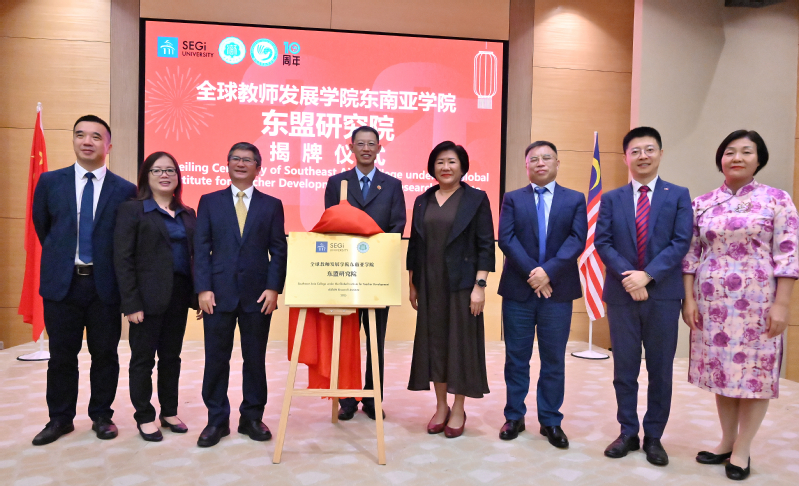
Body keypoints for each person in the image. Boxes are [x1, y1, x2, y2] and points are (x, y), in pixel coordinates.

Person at [682, 130, 798, 481]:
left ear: (759, 159)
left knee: (754, 376)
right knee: (723, 374)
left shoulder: (777, 199)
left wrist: (782, 305)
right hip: (712, 304)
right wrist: (689, 299)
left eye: (746, 152)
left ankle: (742, 449)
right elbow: (690, 255)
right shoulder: (703, 203)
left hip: (759, 305)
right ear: (720, 159)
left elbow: (788, 255)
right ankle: (726, 441)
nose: (737, 158)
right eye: (730, 151)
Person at [31, 115, 137, 445]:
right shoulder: (50, 182)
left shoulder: (125, 190)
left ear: (108, 146)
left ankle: (102, 415)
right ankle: (60, 419)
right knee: (62, 356)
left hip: (104, 285)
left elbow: (125, 240)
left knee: (105, 355)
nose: (87, 141)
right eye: (80, 135)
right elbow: (44, 228)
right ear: (74, 140)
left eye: (95, 136)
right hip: (62, 284)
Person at [595, 126, 692, 466]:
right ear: (626, 158)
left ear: (660, 154)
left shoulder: (678, 195)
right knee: (624, 368)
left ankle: (654, 436)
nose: (642, 156)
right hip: (621, 294)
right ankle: (627, 432)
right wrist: (630, 277)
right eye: (635, 151)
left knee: (660, 369)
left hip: (663, 295)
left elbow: (681, 242)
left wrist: (647, 276)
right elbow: (603, 242)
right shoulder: (612, 198)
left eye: (649, 149)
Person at [194, 142, 287, 447]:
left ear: (258, 168)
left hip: (258, 295)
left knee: (255, 359)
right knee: (216, 359)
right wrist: (203, 288)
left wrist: (274, 288)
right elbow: (201, 249)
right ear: (227, 164)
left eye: (248, 160)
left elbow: (278, 250)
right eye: (235, 158)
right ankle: (216, 420)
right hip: (217, 295)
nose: (241, 163)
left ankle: (252, 418)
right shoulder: (209, 201)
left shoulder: (272, 204)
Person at [496, 141, 587, 448]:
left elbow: (577, 240)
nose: (540, 162)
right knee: (516, 358)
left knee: (553, 359)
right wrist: (534, 275)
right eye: (534, 159)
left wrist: (548, 272)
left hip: (557, 292)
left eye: (547, 157)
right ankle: (514, 416)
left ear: (557, 163)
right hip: (518, 291)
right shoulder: (513, 198)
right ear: (526, 166)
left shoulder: (575, 199)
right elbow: (506, 239)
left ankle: (550, 420)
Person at [406, 141, 495, 438]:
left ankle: (458, 408)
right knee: (435, 346)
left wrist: (479, 286)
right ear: (432, 167)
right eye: (440, 162)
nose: (446, 167)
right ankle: (441, 406)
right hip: (430, 285)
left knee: (460, 347)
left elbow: (485, 245)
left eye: (452, 162)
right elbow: (415, 245)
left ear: (462, 166)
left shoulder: (476, 199)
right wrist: (413, 283)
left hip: (462, 286)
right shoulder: (422, 200)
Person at [114, 151, 198, 442]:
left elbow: (195, 256)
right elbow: (123, 259)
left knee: (171, 357)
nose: (165, 175)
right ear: (146, 176)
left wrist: (197, 294)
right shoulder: (132, 210)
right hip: (145, 299)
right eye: (157, 170)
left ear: (178, 177)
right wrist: (131, 302)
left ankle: (169, 411)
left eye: (170, 170)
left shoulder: (187, 213)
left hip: (179, 295)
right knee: (143, 360)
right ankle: (144, 416)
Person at [324, 126, 406, 421]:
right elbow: (331, 222)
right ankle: (346, 399)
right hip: (344, 273)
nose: (366, 148)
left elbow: (397, 226)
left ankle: (373, 399)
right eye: (361, 144)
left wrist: (373, 252)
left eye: (372, 144)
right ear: (351, 147)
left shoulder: (392, 185)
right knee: (346, 339)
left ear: (379, 148)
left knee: (375, 340)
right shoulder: (337, 182)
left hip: (378, 275)